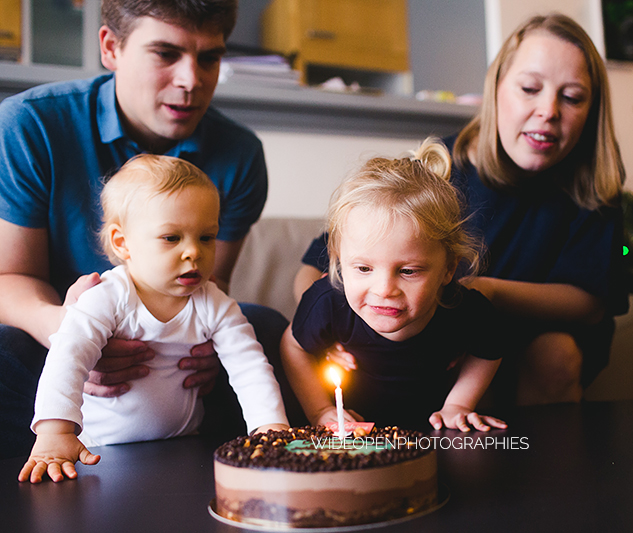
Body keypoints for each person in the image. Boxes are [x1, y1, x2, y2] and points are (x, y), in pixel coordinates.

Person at [0, 0, 288, 459]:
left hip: (176, 355)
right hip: (54, 342)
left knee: (268, 328)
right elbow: (8, 279)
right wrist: (70, 332)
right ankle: (53, 451)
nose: (191, 81)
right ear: (111, 47)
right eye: (165, 53)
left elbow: (213, 283)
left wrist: (205, 351)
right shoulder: (29, 125)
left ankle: (237, 459)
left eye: (209, 58)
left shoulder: (240, 154)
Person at [295, 13, 629, 406]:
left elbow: (591, 303)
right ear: (497, 88)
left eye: (572, 97)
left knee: (555, 353)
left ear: (592, 110)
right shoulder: (439, 165)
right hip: (438, 344)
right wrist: (327, 331)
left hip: (533, 340)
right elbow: (319, 268)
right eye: (529, 88)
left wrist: (485, 291)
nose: (549, 110)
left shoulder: (594, 187)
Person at [17, 155, 289, 484]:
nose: (194, 252)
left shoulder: (213, 302)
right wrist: (55, 432)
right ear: (123, 243)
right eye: (171, 238)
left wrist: (271, 428)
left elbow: (250, 366)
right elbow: (68, 357)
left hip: (183, 445)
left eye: (206, 237)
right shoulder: (108, 297)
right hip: (100, 450)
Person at [282, 138, 508, 432]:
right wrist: (321, 411)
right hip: (356, 436)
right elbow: (292, 346)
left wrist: (459, 404)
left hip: (428, 435)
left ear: (448, 268)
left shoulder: (463, 308)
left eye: (408, 271)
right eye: (363, 268)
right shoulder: (328, 303)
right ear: (339, 262)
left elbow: (490, 346)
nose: (384, 289)